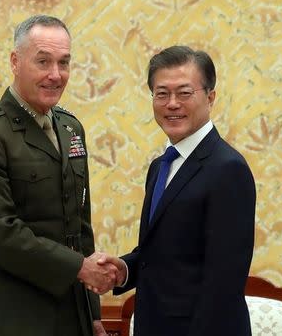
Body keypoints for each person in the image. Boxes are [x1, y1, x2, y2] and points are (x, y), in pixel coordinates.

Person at [0, 15, 116, 336]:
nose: (56, 75)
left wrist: (93, 313)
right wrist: (78, 268)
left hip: (73, 309)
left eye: (64, 63)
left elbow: (80, 225)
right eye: (43, 62)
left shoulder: (70, 128)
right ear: (15, 61)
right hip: (15, 311)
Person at [96, 45, 256, 336]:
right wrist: (125, 269)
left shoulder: (227, 169)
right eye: (162, 94)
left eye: (184, 93)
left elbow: (223, 282)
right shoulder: (161, 166)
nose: (172, 104)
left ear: (210, 98)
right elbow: (161, 253)